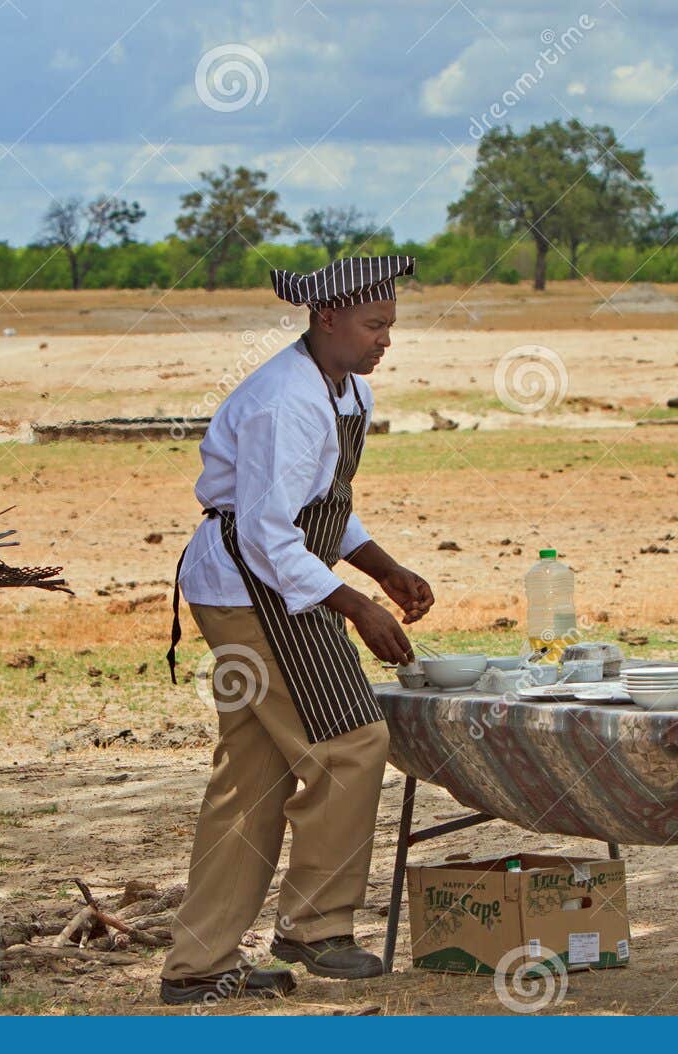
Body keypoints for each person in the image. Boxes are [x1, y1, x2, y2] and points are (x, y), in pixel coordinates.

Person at [161, 256, 433, 1005]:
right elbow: (268, 535)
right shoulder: (287, 402)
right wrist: (358, 606)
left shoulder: (348, 389)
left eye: (391, 326)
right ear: (327, 319)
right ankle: (314, 927)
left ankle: (199, 963)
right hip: (253, 590)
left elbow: (327, 506)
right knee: (352, 741)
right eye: (374, 326)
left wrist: (384, 568)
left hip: (274, 582)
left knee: (252, 780)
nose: (385, 341)